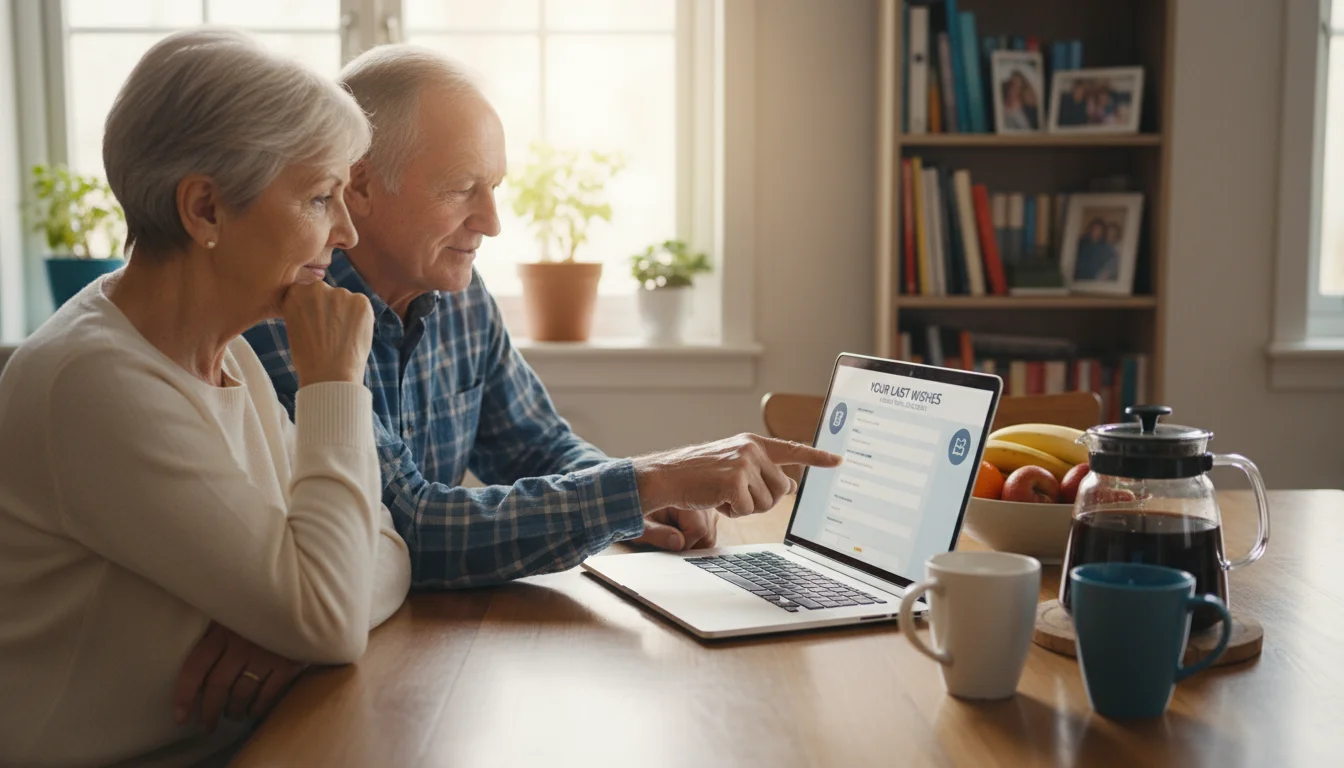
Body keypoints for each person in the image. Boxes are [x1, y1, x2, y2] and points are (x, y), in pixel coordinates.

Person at [244, 45, 843, 592]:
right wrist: (646, 482)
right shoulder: (283, 314)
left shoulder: (460, 291)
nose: (492, 220)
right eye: (462, 189)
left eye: (495, 187)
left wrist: (647, 498)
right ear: (362, 188)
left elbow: (537, 447)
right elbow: (410, 530)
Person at [0, 30, 411, 767]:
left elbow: (383, 548)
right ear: (205, 210)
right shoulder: (94, 384)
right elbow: (333, 612)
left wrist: (288, 630)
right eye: (321, 196)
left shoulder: (232, 358)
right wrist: (332, 385)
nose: (346, 231)